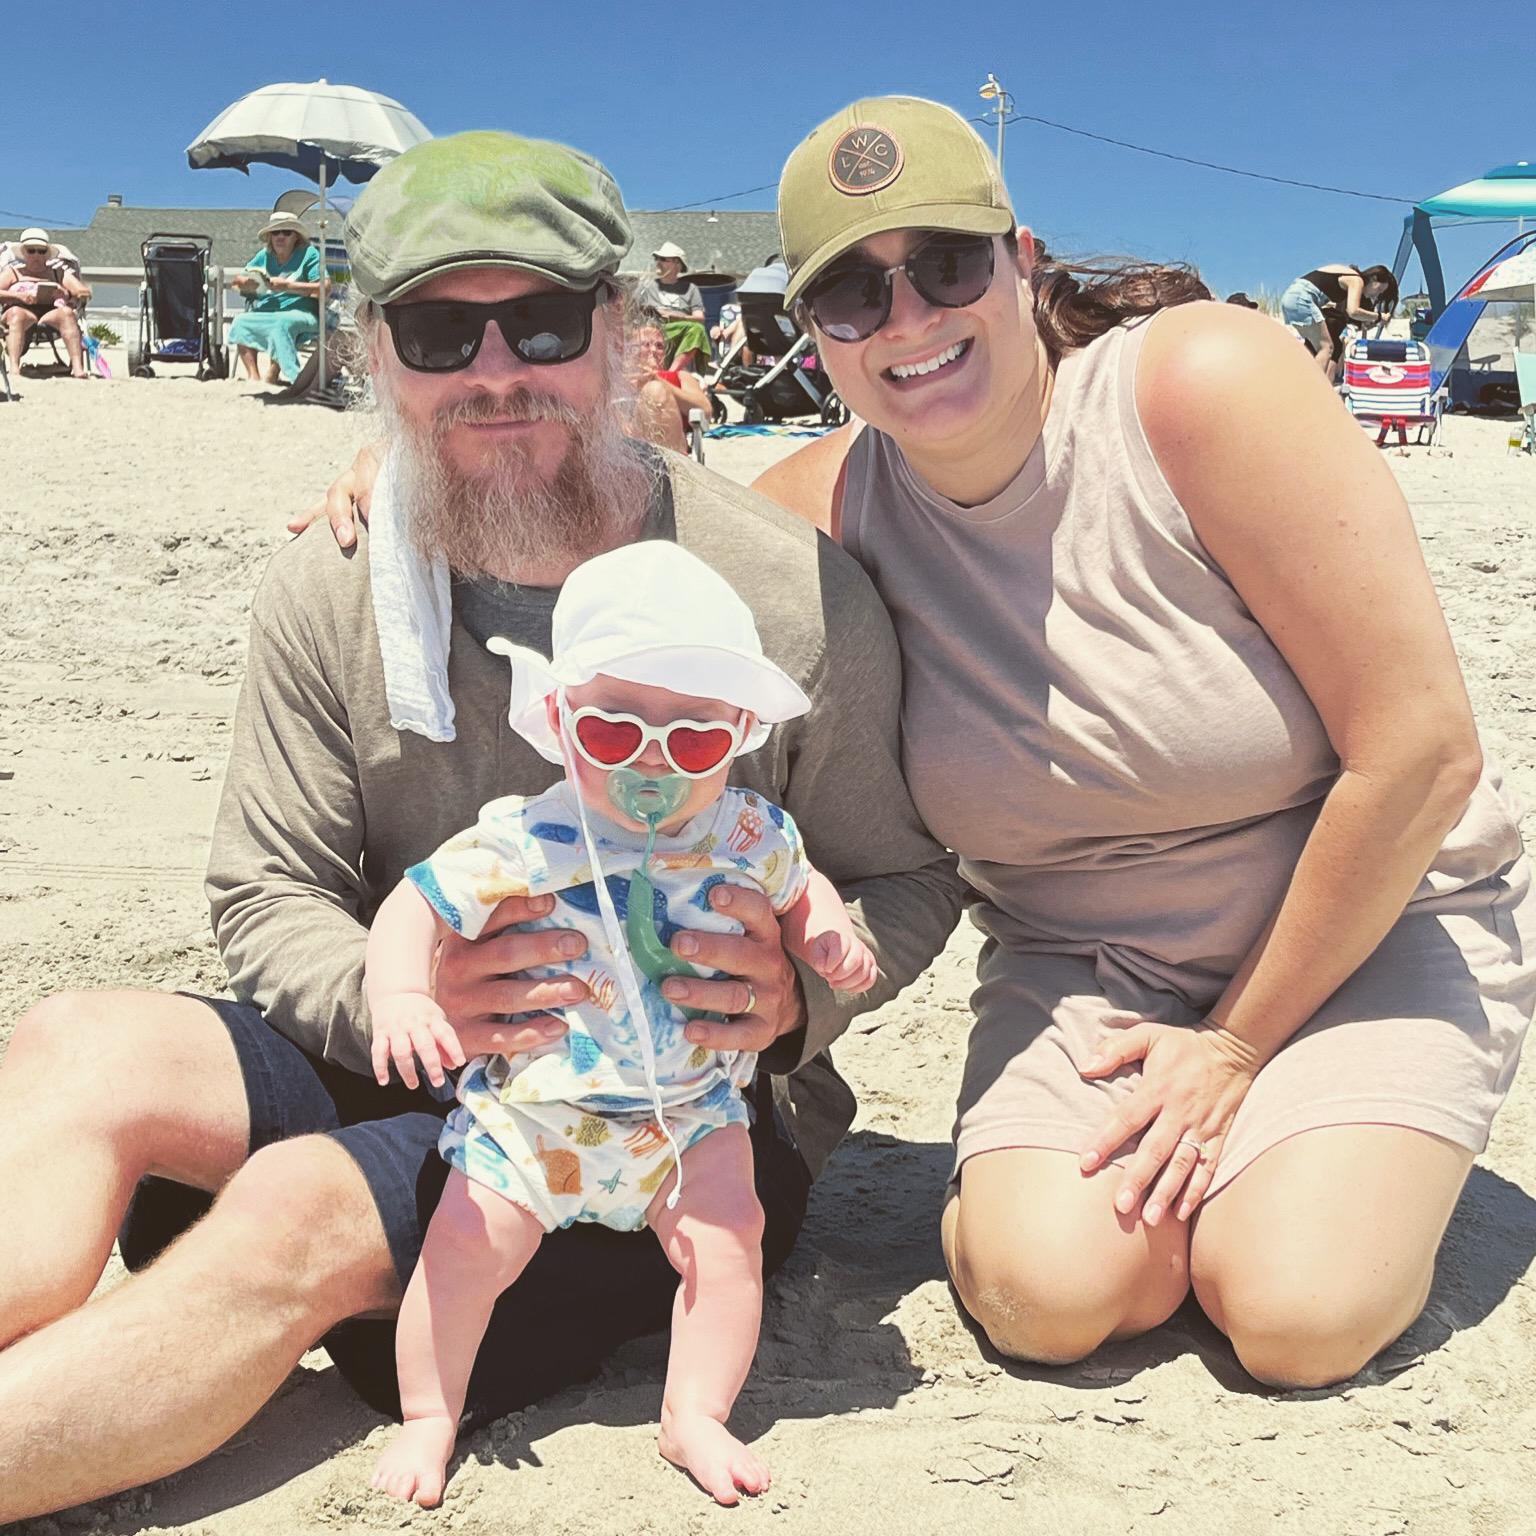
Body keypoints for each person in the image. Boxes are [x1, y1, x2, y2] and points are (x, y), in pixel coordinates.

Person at [0, 129, 963, 1525]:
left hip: (666, 1123)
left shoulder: (780, 596)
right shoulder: (335, 579)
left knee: (298, 1205)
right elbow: (271, 888)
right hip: (419, 1043)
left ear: (622, 335)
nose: (495, 369)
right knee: (78, 1044)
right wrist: (409, 999)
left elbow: (905, 879)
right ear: (373, 352)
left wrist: (796, 987)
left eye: (545, 322)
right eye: (441, 330)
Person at [744, 96, 1532, 1389]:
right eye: (852, 298)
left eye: (944, 266)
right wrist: (409, 481)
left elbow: (1423, 753)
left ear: (1023, 260)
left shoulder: (1197, 384)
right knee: (1041, 1298)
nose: (909, 322)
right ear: (815, 339)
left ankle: (1321, 1132)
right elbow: (610, 554)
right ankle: (1152, 1184)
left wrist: (1232, 1051)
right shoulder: (817, 515)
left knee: (1292, 1316)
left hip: (1377, 928)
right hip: (1088, 966)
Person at [369, 541, 877, 1507]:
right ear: (560, 724)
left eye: (691, 742)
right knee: (463, 1254)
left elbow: (798, 884)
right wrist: (400, 995)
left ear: (735, 734)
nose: (653, 761)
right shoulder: (527, 834)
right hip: (536, 1121)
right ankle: (430, 1414)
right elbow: (416, 904)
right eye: (613, 734)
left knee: (731, 1239)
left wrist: (828, 937)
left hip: (686, 1116)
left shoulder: (744, 829)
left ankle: (695, 1412)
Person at [226, 212, 327, 384]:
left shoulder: (309, 254)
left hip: (303, 312)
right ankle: (254, 377)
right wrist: (246, 283)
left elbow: (325, 288)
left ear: (296, 236)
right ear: (270, 237)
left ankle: (288, 376)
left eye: (286, 232)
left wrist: (288, 286)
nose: (280, 236)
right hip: (267, 310)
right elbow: (236, 281)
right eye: (276, 232)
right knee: (241, 322)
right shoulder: (264, 256)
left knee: (281, 323)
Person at [1279, 263, 1397, 380]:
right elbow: (1353, 311)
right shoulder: (1357, 280)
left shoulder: (1348, 274)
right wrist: (1378, 316)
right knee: (1327, 347)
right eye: (1379, 289)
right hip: (1303, 298)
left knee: (1315, 349)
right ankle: (1314, 390)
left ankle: (1300, 383)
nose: (1376, 294)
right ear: (1373, 278)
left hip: (1290, 297)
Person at [0, 228, 92, 378]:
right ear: (24, 253)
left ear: (47, 254)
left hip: (51, 312)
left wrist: (65, 293)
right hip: (20, 310)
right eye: (31, 250)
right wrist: (18, 296)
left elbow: (84, 292)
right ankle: (14, 369)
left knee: (67, 314)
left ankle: (77, 368)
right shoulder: (13, 272)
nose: (36, 255)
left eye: (41, 251)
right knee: (17, 314)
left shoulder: (58, 273)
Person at [651, 240, 709, 371]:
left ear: (677, 264)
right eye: (657, 258)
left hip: (679, 330)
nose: (658, 262)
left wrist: (675, 316)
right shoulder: (648, 286)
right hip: (654, 328)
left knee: (697, 330)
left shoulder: (690, 289)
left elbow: (700, 318)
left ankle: (672, 372)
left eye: (663, 259)